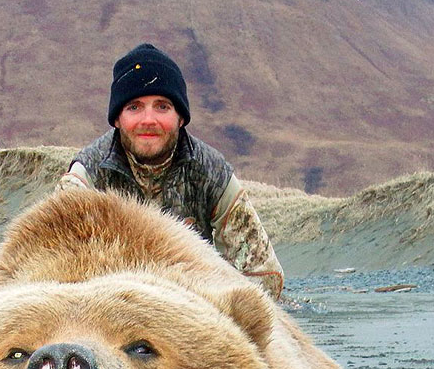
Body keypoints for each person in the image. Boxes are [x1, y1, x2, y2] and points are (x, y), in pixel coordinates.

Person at [59, 42, 285, 298]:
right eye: (134, 107)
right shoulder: (86, 176)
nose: (148, 120)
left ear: (181, 117)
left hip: (190, 306)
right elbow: (56, 272)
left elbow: (265, 276)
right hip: (110, 308)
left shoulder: (212, 173)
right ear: (116, 119)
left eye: (162, 106)